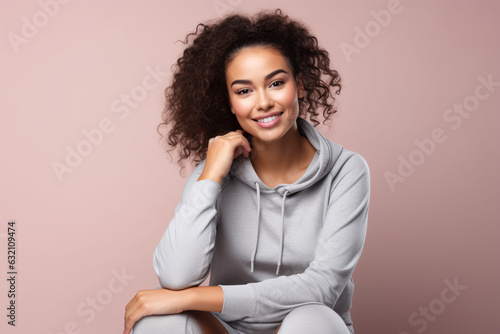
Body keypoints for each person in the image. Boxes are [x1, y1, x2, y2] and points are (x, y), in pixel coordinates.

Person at [123, 9, 370, 334]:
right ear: (227, 102)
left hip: (309, 325)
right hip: (228, 328)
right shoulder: (214, 172)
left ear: (301, 85)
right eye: (244, 91)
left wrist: (197, 298)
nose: (263, 102)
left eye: (277, 83)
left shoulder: (346, 171)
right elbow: (175, 277)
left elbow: (322, 287)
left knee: (309, 323)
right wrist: (210, 176)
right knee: (159, 323)